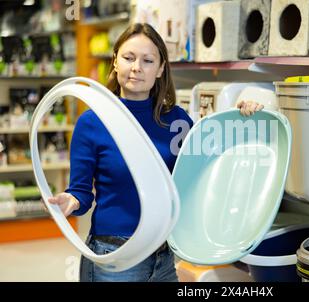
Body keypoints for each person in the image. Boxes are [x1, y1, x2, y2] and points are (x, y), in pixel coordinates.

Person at [47, 23, 264, 282]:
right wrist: (70, 201)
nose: (136, 67)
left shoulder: (177, 121)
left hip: (163, 256)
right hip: (115, 255)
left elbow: (208, 170)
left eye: (147, 60)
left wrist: (240, 117)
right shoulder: (93, 122)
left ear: (160, 69)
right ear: (115, 62)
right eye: (128, 58)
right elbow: (81, 193)